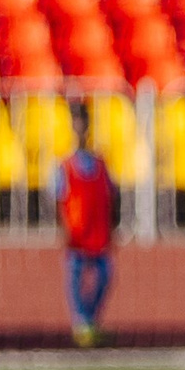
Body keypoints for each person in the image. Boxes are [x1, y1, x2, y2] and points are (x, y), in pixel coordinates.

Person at [51, 100, 115, 348]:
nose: (80, 128)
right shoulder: (64, 166)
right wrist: (63, 228)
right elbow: (58, 198)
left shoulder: (100, 164)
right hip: (77, 234)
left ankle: (90, 321)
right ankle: (82, 325)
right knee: (76, 277)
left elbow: (110, 197)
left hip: (97, 233)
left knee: (104, 275)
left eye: (83, 122)